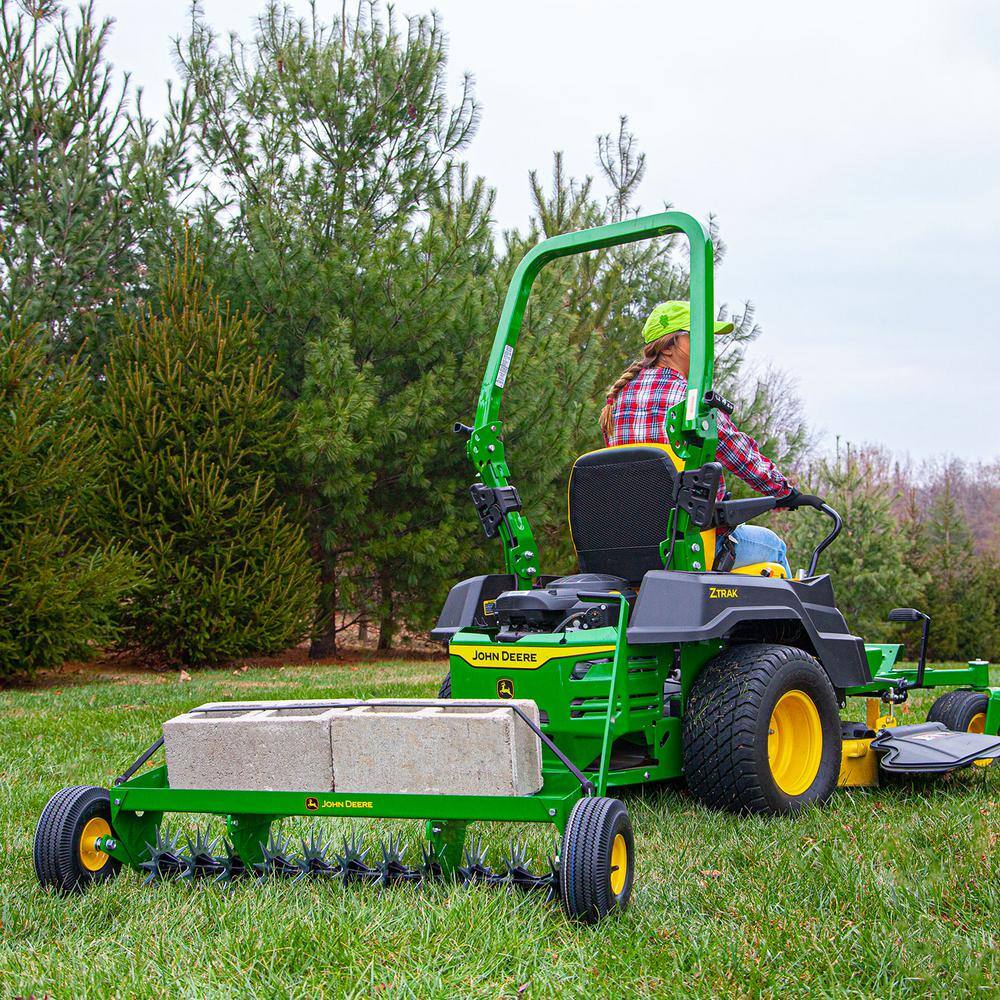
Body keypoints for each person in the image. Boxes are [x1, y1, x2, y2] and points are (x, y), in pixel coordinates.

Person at [599, 300, 796, 577]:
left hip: (628, 544)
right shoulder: (690, 401)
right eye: (698, 338)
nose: (709, 348)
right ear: (668, 346)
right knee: (773, 547)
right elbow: (741, 456)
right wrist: (784, 492)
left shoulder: (616, 401)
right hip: (688, 543)